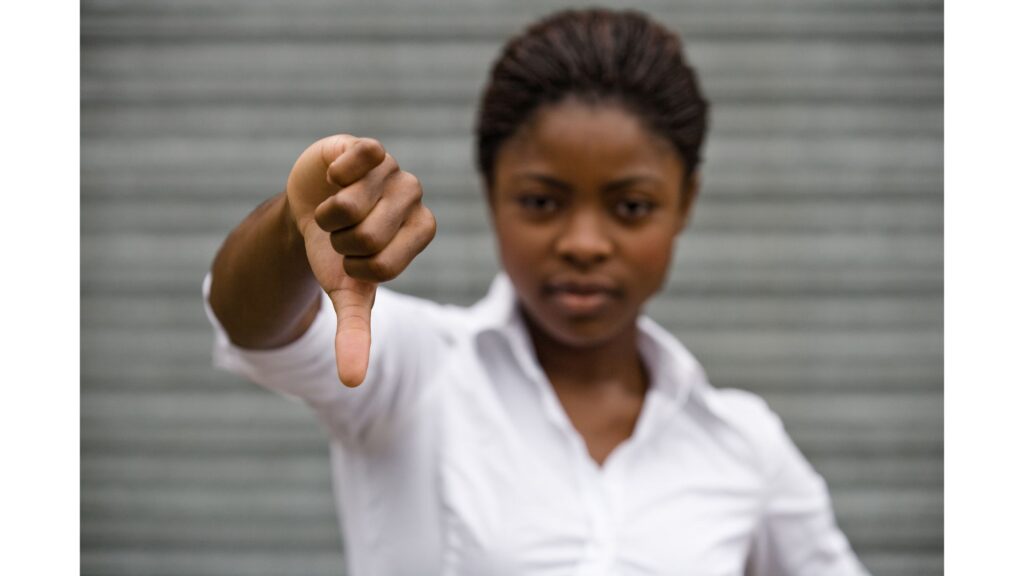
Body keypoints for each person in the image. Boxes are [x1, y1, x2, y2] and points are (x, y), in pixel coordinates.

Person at [204, 8, 870, 576]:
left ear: (685, 202)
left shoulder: (741, 445)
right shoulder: (416, 371)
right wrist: (295, 229)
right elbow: (250, 322)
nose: (583, 242)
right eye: (542, 201)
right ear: (492, 194)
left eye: (631, 207)